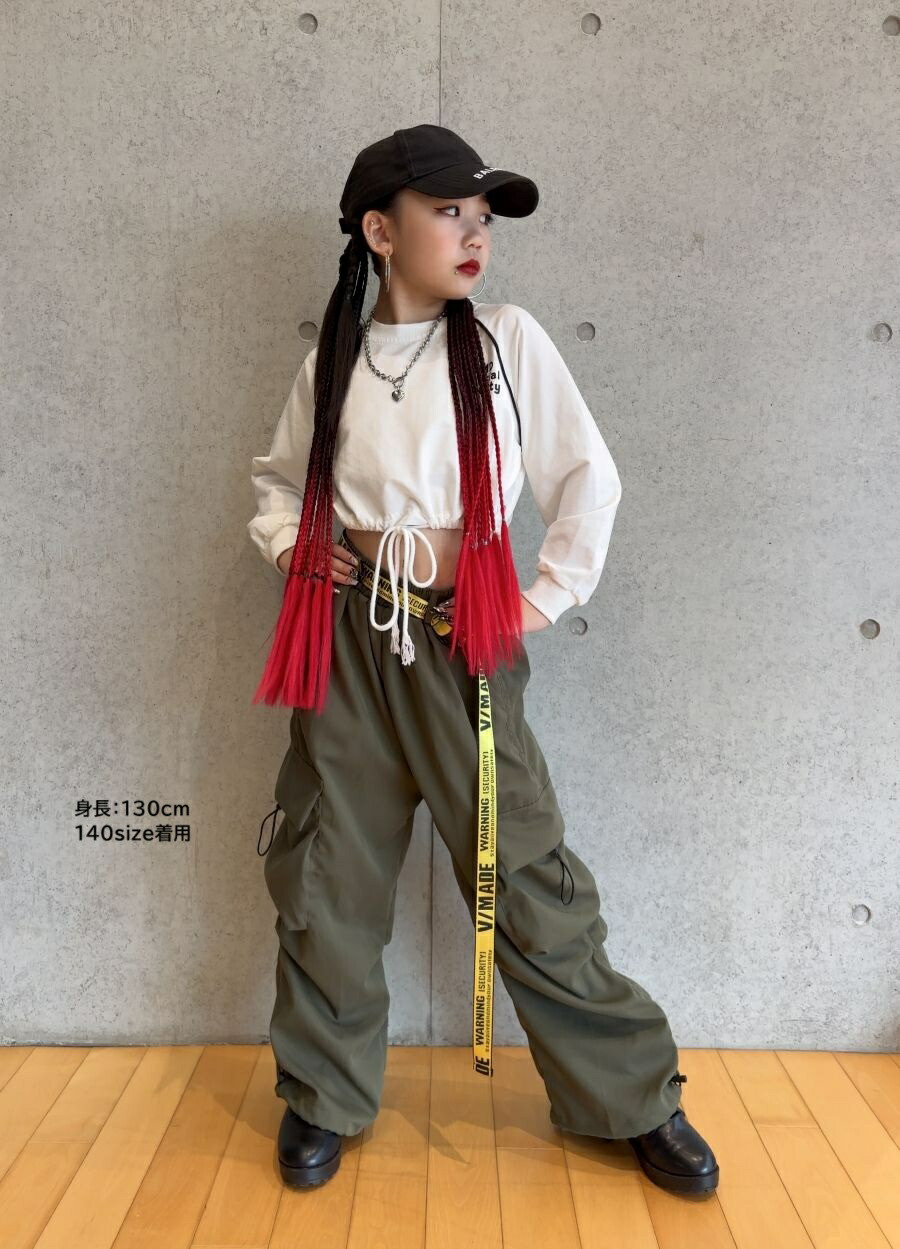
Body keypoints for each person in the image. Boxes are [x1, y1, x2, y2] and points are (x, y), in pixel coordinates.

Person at [248, 124, 718, 1197]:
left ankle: (632, 1095)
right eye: (449, 212)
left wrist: (539, 599)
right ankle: (323, 1093)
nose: (475, 235)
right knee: (328, 868)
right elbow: (276, 482)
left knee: (526, 873)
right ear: (380, 231)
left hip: (466, 642)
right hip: (348, 640)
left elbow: (587, 478)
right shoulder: (333, 361)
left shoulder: (507, 341)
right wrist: (291, 545)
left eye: (483, 217)